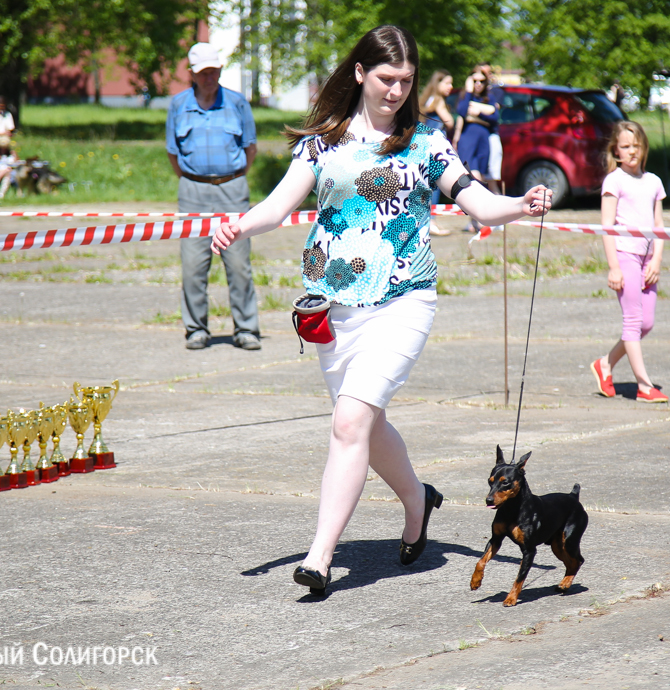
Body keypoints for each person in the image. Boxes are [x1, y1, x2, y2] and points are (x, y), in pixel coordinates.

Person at [210, 25, 552, 594]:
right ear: (359, 73)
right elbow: (276, 206)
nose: (396, 91)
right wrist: (237, 226)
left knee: (350, 422)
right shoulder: (323, 142)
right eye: (386, 79)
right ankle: (418, 500)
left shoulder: (426, 143)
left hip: (404, 300)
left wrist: (521, 203)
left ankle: (319, 559)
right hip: (333, 307)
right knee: (365, 428)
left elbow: (479, 203)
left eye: (406, 81)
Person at [166, 42, 261, 350]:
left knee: (239, 265)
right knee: (193, 266)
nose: (209, 78)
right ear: (192, 74)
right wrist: (193, 180)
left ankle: (246, 329)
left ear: (220, 70)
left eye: (214, 71)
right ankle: (196, 329)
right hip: (192, 190)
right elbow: (172, 152)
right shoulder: (178, 105)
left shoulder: (237, 103)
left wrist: (231, 178)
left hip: (232, 189)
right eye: (203, 73)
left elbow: (250, 148)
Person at [591, 121, 667, 404]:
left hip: (648, 258)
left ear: (644, 147)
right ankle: (644, 386)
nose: (632, 151)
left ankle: (605, 363)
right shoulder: (614, 181)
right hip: (625, 255)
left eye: (636, 146)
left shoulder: (654, 182)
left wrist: (657, 259)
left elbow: (659, 225)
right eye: (625, 146)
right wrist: (614, 266)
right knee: (633, 321)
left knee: (646, 323)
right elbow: (607, 226)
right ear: (616, 151)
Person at [453, 68, 499, 232]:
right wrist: (468, 91)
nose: (478, 84)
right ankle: (477, 218)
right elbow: (461, 111)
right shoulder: (465, 96)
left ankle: (477, 219)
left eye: (481, 81)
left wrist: (479, 112)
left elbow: (495, 118)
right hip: (468, 139)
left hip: (483, 139)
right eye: (475, 81)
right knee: (472, 177)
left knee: (481, 177)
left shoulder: (490, 98)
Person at [418, 69, 455, 236]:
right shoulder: (438, 101)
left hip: (424, 146)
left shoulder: (427, 100)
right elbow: (449, 121)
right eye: (447, 83)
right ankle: (431, 222)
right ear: (437, 83)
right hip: (434, 150)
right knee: (435, 186)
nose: (450, 87)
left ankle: (427, 221)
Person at [477, 62, 504, 195]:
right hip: (477, 139)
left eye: (486, 74)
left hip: (490, 136)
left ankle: (500, 207)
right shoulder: (472, 94)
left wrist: (477, 110)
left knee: (491, 181)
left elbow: (494, 113)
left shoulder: (495, 92)